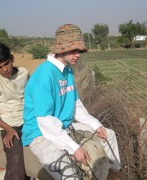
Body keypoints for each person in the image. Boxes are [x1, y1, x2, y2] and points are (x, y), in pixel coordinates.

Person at [22, 24, 121, 179]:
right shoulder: (44, 75)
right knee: (68, 172)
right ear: (61, 49)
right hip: (40, 133)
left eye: (80, 50)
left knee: (109, 135)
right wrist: (74, 148)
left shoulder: (67, 70)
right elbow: (44, 120)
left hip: (63, 125)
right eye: (74, 50)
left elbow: (76, 105)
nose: (78, 54)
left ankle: (115, 173)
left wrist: (96, 125)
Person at [0, 43, 29, 180]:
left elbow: (30, 95)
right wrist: (7, 129)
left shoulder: (24, 73)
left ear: (12, 58)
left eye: (6, 64)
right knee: (16, 161)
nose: (4, 69)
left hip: (29, 118)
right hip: (11, 123)